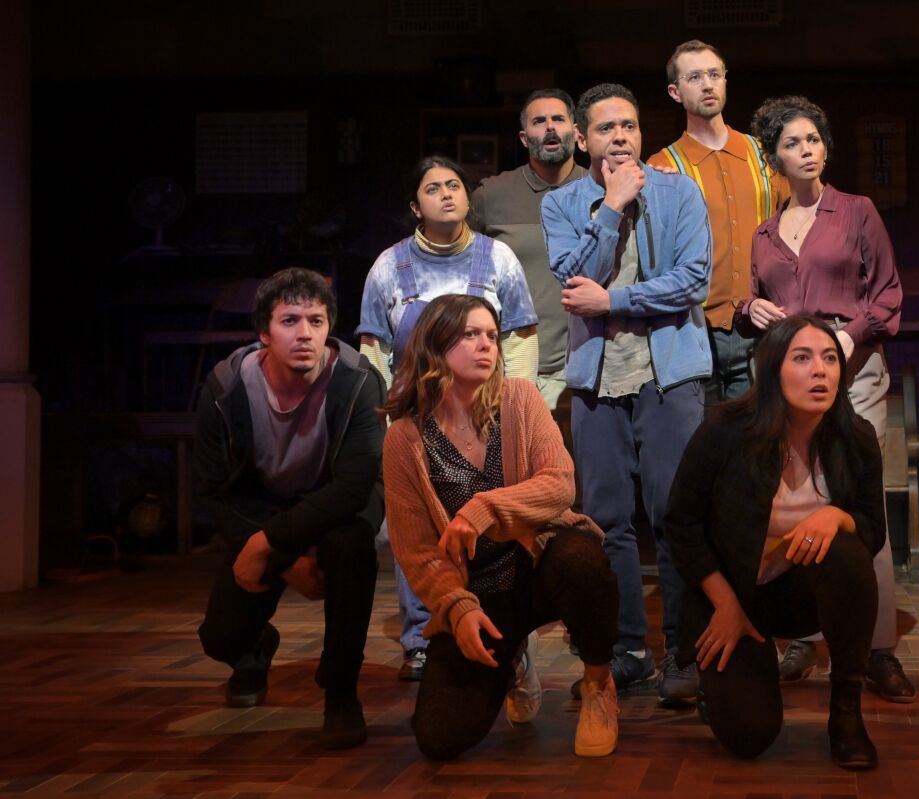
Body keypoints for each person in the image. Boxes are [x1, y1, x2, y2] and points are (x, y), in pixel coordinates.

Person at [382, 294, 620, 758]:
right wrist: (457, 607)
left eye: (491, 335)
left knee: (582, 558)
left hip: (538, 568)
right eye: (470, 334)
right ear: (435, 344)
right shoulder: (404, 439)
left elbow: (559, 484)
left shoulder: (520, 399)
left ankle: (598, 685)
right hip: (481, 593)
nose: (486, 345)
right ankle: (513, 656)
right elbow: (417, 551)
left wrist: (485, 507)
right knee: (439, 737)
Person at [540, 83, 712, 705]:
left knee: (674, 516)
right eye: (607, 128)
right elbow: (571, 277)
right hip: (597, 378)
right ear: (582, 139)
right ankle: (627, 651)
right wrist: (611, 206)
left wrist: (613, 301)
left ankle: (685, 656)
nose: (621, 137)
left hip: (671, 373)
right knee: (607, 520)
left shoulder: (679, 190)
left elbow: (693, 280)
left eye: (630, 126)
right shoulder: (563, 205)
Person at [745, 95, 915, 703]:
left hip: (854, 372)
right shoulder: (765, 232)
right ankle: (802, 631)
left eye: (814, 139)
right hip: (789, 385)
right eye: (792, 143)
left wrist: (843, 339)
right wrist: (749, 308)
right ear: (775, 160)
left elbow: (889, 293)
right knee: (794, 499)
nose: (807, 150)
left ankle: (877, 648)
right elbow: (755, 295)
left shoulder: (857, 211)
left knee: (855, 497)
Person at [665, 314, 883, 768]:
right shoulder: (725, 431)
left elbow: (873, 531)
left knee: (848, 552)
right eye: (802, 358)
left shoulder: (856, 437)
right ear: (772, 370)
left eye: (828, 359)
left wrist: (837, 516)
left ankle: (846, 713)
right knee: (750, 737)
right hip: (731, 596)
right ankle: (727, 685)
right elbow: (681, 524)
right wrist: (724, 604)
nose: (819, 370)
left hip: (797, 595)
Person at [358, 155, 540, 681]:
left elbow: (521, 338)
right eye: (433, 188)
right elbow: (372, 349)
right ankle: (424, 634)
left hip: (486, 414)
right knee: (414, 530)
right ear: (415, 206)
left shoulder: (497, 258)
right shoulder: (390, 266)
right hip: (416, 421)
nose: (446, 194)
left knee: (499, 522)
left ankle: (510, 633)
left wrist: (515, 403)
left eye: (454, 185)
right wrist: (390, 421)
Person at [195, 267, 384, 750]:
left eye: (317, 321)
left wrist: (272, 548)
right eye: (290, 321)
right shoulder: (224, 388)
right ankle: (255, 649)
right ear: (263, 332)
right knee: (220, 638)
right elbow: (214, 490)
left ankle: (341, 692)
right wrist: (276, 552)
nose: (305, 334)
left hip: (333, 514)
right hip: (260, 512)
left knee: (353, 546)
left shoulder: (359, 382)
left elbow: (356, 487)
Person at [647, 39, 789, 404]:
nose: (707, 84)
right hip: (694, 330)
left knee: (757, 447)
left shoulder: (762, 155)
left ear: (725, 80)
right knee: (703, 450)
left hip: (760, 325)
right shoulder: (663, 166)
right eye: (694, 77)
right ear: (675, 92)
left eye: (714, 74)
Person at [469, 89, 588, 411]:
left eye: (558, 119)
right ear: (524, 138)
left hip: (586, 370)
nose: (550, 127)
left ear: (576, 132)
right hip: (511, 368)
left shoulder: (603, 190)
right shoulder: (491, 195)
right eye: (539, 121)